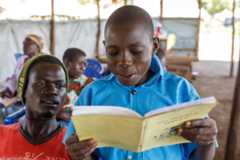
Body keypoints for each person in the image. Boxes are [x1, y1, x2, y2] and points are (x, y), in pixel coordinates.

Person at [65, 5, 218, 160]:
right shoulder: (92, 95)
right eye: (113, 52)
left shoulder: (180, 91)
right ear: (105, 48)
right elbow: (79, 150)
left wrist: (208, 142)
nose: (124, 61)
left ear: (154, 46)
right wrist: (79, 154)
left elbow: (201, 153)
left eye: (136, 51)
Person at [0, 54, 70, 159]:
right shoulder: (2, 136)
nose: (52, 91)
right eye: (41, 84)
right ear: (23, 91)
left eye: (59, 86)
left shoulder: (74, 146)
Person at [56, 48, 93, 122]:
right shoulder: (56, 80)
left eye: (85, 64)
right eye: (80, 64)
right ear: (67, 63)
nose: (83, 67)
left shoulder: (87, 82)